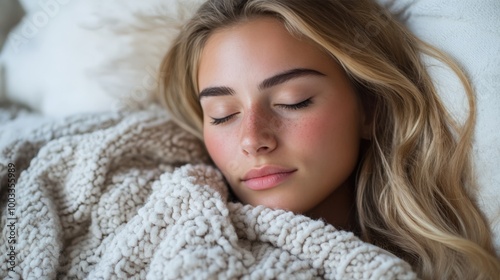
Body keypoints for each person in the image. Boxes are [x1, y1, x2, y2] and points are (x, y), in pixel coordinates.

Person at [158, 0, 500, 278]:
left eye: (293, 101)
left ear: (369, 108)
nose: (252, 139)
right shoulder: (174, 226)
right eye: (223, 114)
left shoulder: (457, 265)